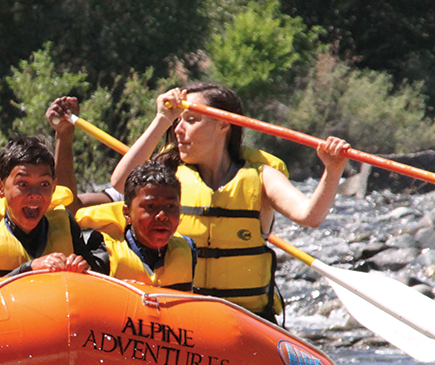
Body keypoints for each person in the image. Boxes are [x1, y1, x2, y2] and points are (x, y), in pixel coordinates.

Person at [108, 82, 349, 321]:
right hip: (182, 315)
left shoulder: (261, 175)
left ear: (223, 123)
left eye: (191, 120)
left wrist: (333, 169)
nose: (178, 130)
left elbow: (310, 216)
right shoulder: (168, 173)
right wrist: (162, 118)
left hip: (245, 319)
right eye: (177, 121)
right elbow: (121, 183)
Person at [0, 134, 107, 279]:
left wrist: (84, 269)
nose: (35, 194)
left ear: (54, 187)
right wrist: (29, 268)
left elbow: (96, 280)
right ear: (0, 187)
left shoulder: (65, 222)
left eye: (44, 184)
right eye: (23, 184)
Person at [75, 160, 196, 290]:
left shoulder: (188, 248)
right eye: (150, 206)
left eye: (171, 206)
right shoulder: (104, 250)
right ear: (127, 214)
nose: (162, 215)